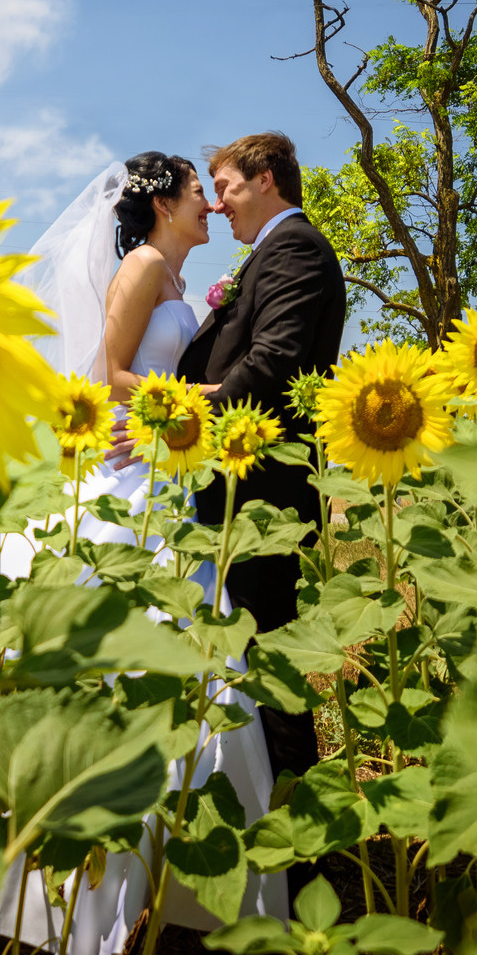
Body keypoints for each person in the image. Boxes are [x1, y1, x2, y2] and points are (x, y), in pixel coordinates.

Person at [0, 149, 289, 955]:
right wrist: (182, 409)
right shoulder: (140, 267)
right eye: (200, 190)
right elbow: (107, 371)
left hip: (169, 478)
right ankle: (75, 893)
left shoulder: (178, 285)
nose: (210, 203)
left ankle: (177, 886)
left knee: (192, 664)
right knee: (120, 659)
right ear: (161, 202)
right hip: (135, 476)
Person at [179, 131, 344, 779]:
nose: (218, 205)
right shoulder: (272, 251)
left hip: (264, 491)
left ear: (267, 178)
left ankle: (296, 834)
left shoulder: (296, 246)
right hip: (236, 487)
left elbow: (274, 361)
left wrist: (187, 418)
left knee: (270, 660)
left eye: (225, 187)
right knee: (250, 654)